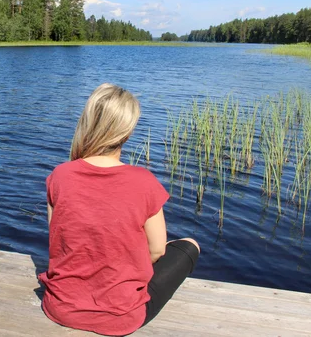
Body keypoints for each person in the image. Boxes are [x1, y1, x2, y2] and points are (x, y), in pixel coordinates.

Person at [38, 83, 200, 336]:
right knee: (189, 245)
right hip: (120, 318)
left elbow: (57, 235)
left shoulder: (59, 175)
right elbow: (157, 250)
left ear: (88, 121)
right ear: (127, 130)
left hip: (60, 307)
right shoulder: (143, 181)